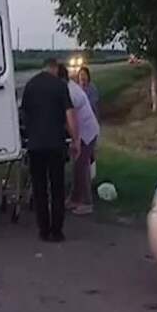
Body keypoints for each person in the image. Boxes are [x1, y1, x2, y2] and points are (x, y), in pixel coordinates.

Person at [21, 58, 80, 242]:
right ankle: (57, 231)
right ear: (54, 68)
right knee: (57, 188)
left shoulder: (30, 85)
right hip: (56, 144)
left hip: (35, 145)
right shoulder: (60, 86)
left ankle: (43, 230)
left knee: (39, 189)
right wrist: (76, 140)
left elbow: (24, 115)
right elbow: (69, 115)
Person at [59, 65, 100, 215]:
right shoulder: (69, 88)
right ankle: (75, 199)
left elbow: (72, 120)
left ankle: (87, 203)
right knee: (77, 167)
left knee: (82, 167)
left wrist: (75, 140)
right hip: (83, 132)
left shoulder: (71, 92)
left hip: (86, 133)